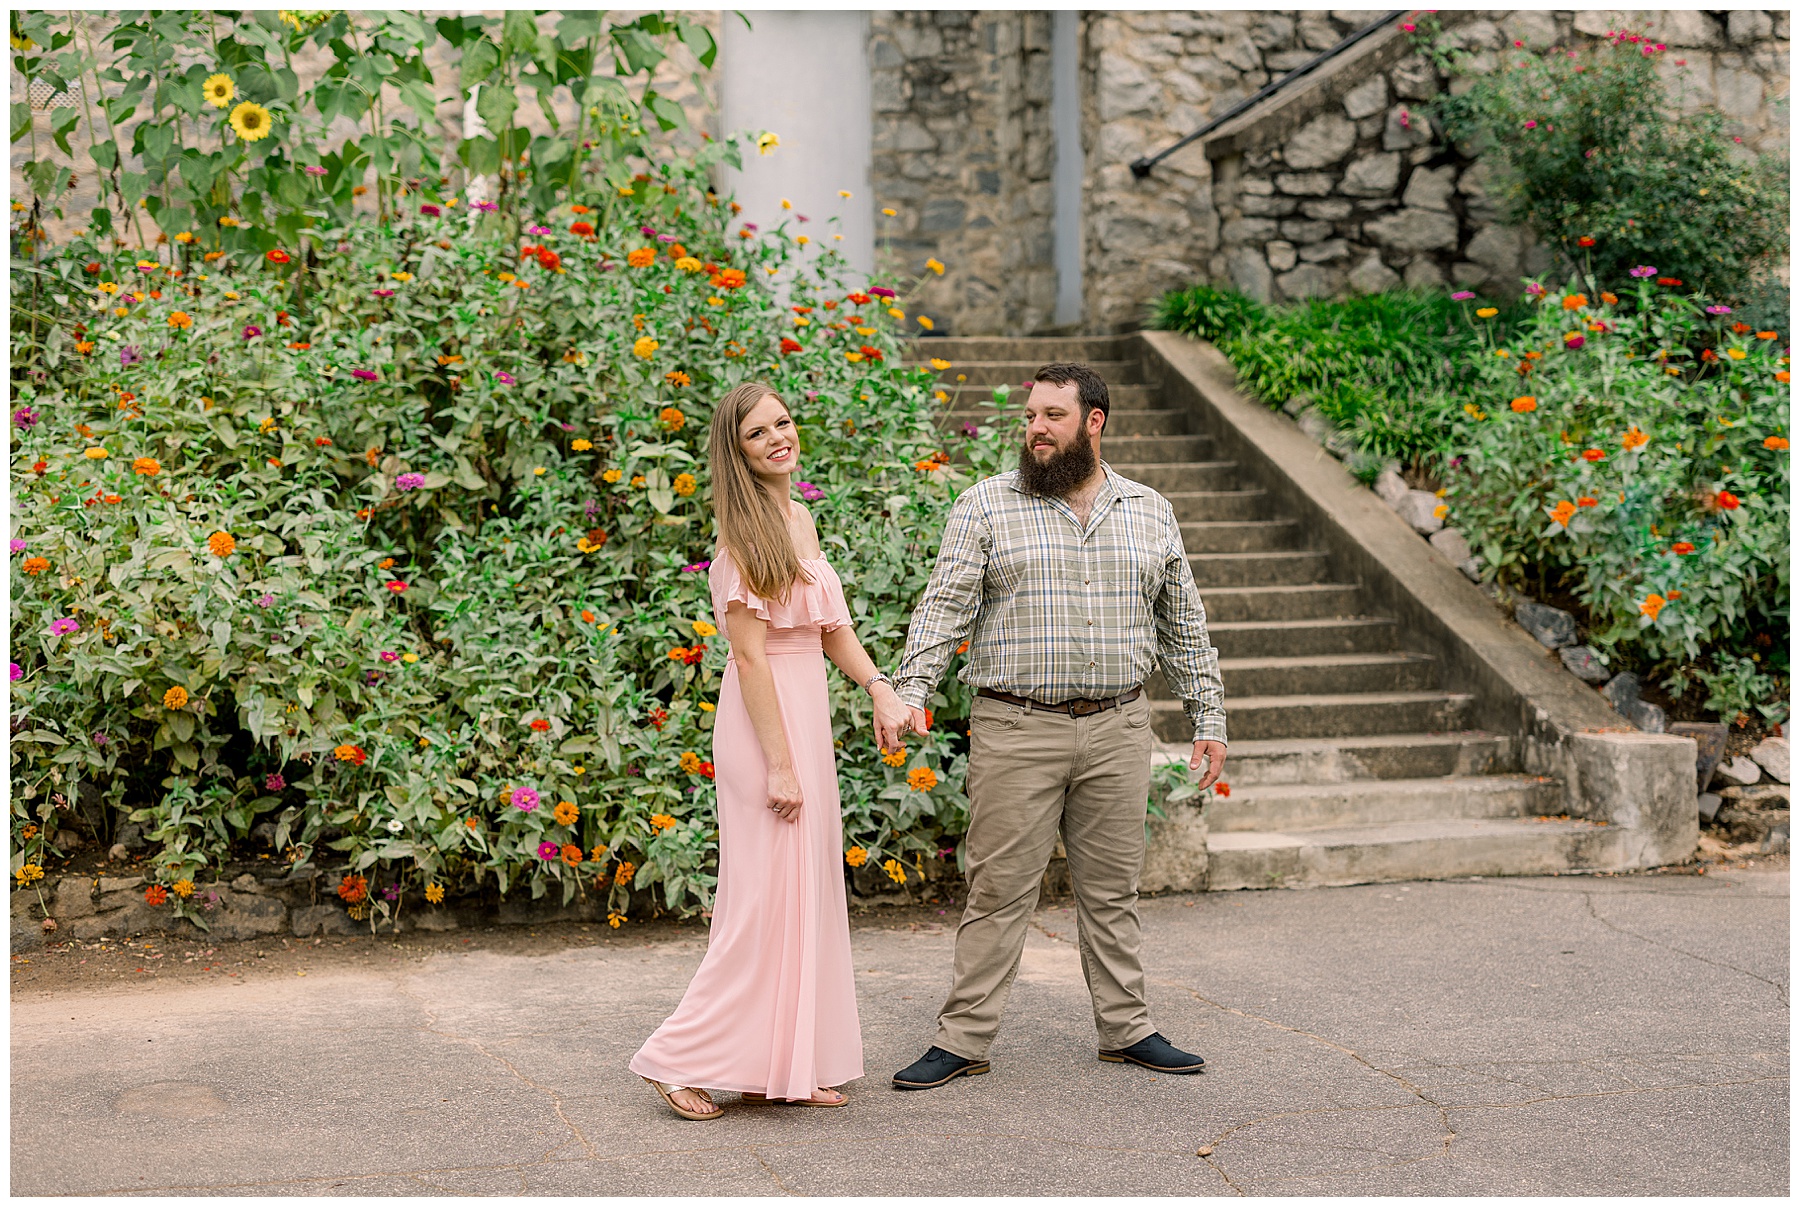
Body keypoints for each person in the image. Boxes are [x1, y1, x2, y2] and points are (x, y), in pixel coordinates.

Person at [888, 361, 1228, 1090]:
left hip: (1118, 726)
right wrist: (911, 687)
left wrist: (1209, 715)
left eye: (1052, 416)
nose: (1035, 429)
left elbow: (1185, 626)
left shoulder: (1150, 510)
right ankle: (963, 1038)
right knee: (997, 888)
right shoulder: (985, 505)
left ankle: (1127, 1028)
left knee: (1112, 890)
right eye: (1031, 416)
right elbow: (943, 605)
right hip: (1017, 726)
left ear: (1093, 422)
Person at [631, 382, 911, 1119]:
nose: (778, 437)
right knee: (760, 900)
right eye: (758, 433)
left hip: (807, 712)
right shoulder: (741, 538)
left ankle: (787, 1062)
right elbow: (751, 660)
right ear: (739, 452)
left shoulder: (800, 518)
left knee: (803, 892)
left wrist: (880, 687)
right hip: (765, 728)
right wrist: (780, 763)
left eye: (782, 422)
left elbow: (829, 629)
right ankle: (676, 1056)